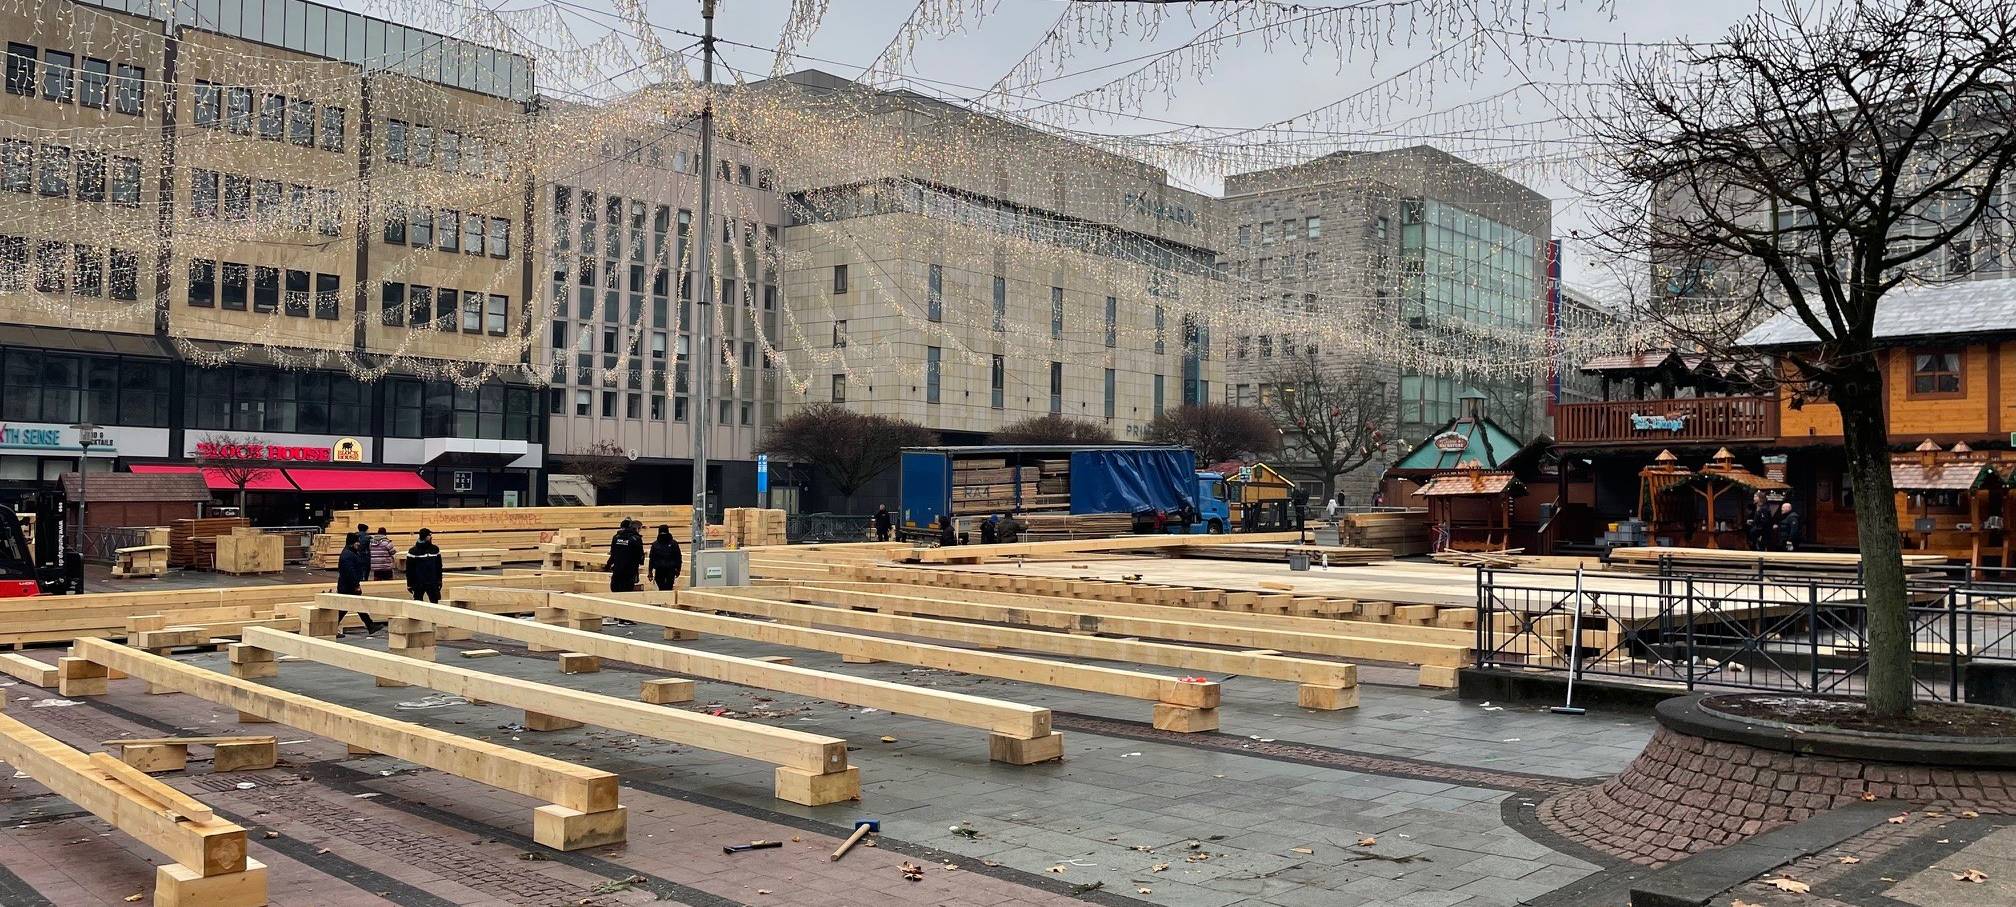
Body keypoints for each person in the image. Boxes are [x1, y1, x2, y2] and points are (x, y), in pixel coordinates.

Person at [333, 536, 383, 636]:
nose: (358, 544)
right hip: (348, 586)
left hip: (347, 585)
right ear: (352, 543)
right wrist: (356, 585)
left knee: (354, 606)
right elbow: (350, 572)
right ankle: (370, 625)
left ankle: (370, 625)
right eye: (357, 542)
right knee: (348, 607)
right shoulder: (348, 555)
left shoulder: (350, 552)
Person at [405, 528, 443, 603]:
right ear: (426, 537)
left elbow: (439, 566)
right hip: (418, 583)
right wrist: (409, 584)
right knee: (418, 605)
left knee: (436, 604)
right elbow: (409, 569)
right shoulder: (413, 551)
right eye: (430, 535)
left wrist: (439, 580)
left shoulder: (435, 549)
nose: (431, 537)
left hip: (433, 582)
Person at [607, 518, 643, 593]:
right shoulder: (635, 538)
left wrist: (608, 565)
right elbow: (640, 555)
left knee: (615, 589)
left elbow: (613, 554)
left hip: (618, 569)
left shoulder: (616, 537)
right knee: (627, 591)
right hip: (630, 571)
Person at [649, 524, 683, 591]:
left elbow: (652, 559)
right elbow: (678, 557)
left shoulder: (655, 544)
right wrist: (678, 569)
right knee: (669, 587)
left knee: (661, 588)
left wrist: (650, 572)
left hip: (659, 569)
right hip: (670, 569)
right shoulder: (673, 543)